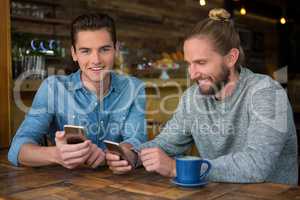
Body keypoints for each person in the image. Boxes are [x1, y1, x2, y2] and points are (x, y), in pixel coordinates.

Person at [106, 8, 298, 185]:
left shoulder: (267, 92)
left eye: (201, 62)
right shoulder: (193, 98)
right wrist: (132, 155)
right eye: (189, 63)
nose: (192, 73)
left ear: (231, 58)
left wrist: (175, 168)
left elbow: (256, 165)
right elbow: (166, 143)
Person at [8, 13, 147, 169]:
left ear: (116, 49)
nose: (96, 60)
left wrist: (122, 154)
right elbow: (17, 149)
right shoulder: (53, 88)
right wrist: (56, 155)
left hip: (121, 185)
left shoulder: (133, 88)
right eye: (85, 51)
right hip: (63, 188)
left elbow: (137, 140)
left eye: (104, 49)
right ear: (74, 53)